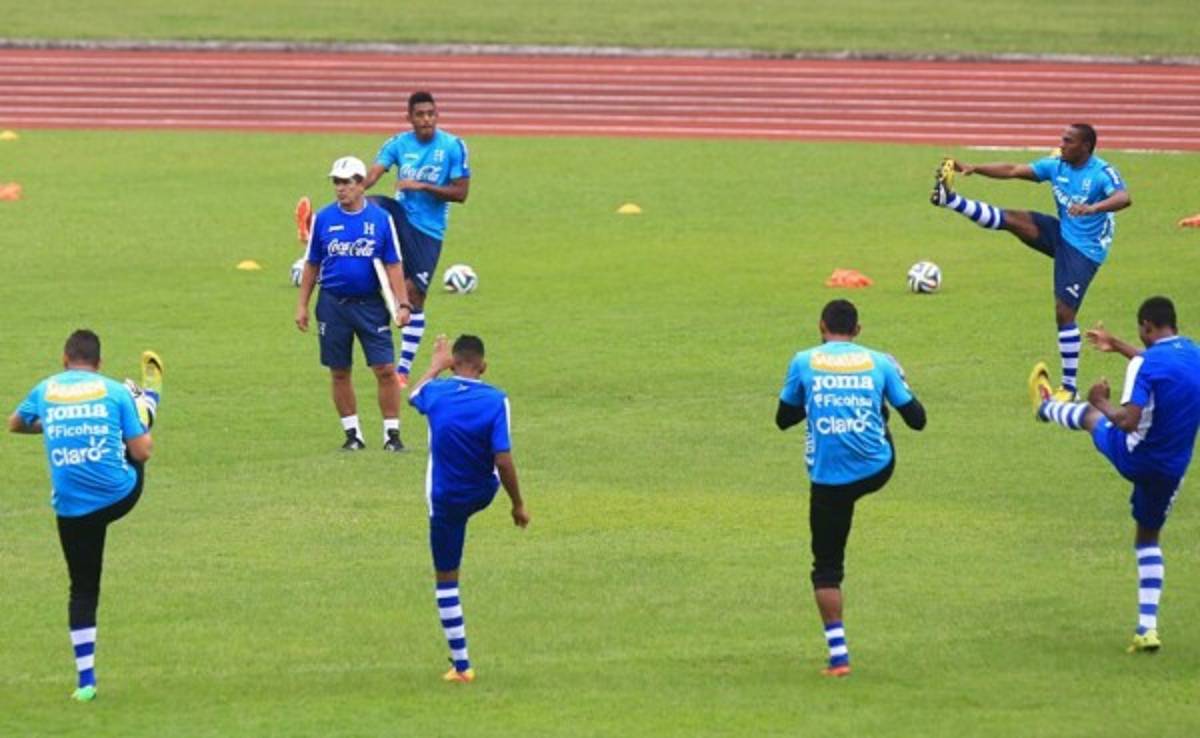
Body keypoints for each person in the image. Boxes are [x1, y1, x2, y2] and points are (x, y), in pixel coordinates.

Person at [1029, 296, 1200, 653]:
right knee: (1148, 539)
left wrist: (1100, 400)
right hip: (1173, 469)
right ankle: (1146, 629)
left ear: (1147, 327)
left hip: (1135, 456)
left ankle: (1045, 406)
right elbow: (1155, 362)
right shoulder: (1192, 354)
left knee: (1093, 420)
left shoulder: (1146, 367)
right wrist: (1117, 344)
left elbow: (1127, 421)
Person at [8, 330, 163, 702]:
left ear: (64, 359)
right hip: (119, 495)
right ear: (99, 364)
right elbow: (142, 454)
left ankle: (86, 682)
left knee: (82, 589)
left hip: (72, 507)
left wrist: (52, 423)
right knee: (135, 440)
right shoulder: (111, 389)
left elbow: (14, 423)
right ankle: (148, 403)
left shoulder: (46, 390)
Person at [776, 300, 926, 677]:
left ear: (821, 326)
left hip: (828, 481)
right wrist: (900, 381)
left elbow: (782, 420)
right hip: (877, 468)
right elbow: (918, 421)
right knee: (880, 413)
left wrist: (814, 400)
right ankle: (871, 421)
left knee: (826, 569)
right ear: (858, 330)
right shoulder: (879, 362)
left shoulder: (803, 361)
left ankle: (839, 656)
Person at [930, 123, 1132, 401]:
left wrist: (1093, 208)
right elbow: (1013, 170)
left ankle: (1069, 389)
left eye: (1068, 141)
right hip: (1062, 232)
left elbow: (1124, 197)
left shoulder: (1101, 173)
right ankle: (949, 199)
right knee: (1011, 219)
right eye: (1062, 139)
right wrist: (975, 168)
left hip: (1085, 251)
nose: (1061, 144)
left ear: (1085, 146)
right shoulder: (1056, 165)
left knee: (1064, 313)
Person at [408, 334, 528, 683]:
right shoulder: (496, 399)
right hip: (483, 491)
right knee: (486, 465)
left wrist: (434, 365)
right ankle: (460, 667)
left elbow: (413, 394)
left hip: (444, 499)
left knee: (447, 579)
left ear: (452, 363)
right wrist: (517, 505)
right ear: (484, 366)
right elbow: (503, 461)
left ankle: (462, 667)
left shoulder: (436, 393)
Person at [295, 155, 413, 451]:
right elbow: (312, 264)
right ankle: (353, 435)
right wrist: (302, 305)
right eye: (336, 182)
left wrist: (403, 304)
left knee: (385, 368)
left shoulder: (380, 220)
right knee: (339, 370)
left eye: (347, 182)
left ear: (361, 184)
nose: (340, 188)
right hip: (332, 305)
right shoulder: (323, 218)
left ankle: (392, 435)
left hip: (370, 305)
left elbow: (393, 264)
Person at [362, 91, 471, 388]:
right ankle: (338, 233)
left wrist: (420, 185)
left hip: (428, 232)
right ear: (409, 118)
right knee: (371, 205)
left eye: (430, 114)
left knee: (414, 297)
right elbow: (374, 173)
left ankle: (403, 369)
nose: (426, 120)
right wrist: (354, 190)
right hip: (401, 215)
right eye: (420, 114)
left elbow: (461, 193)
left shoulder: (452, 146)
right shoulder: (398, 143)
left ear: (437, 115)